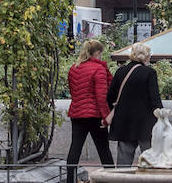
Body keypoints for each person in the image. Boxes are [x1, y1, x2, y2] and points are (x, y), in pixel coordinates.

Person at [107, 43, 164, 166]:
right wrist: (161, 116)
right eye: (149, 55)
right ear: (145, 57)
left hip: (124, 122)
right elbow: (155, 98)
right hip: (145, 123)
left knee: (123, 163)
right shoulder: (149, 72)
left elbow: (110, 95)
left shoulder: (121, 71)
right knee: (150, 161)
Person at [65, 39, 114, 182]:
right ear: (97, 53)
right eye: (101, 54)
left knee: (75, 148)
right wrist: (106, 117)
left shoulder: (74, 68)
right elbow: (101, 96)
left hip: (77, 114)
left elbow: (74, 92)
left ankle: (70, 179)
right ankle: (111, 178)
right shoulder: (99, 69)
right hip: (95, 115)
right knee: (104, 150)